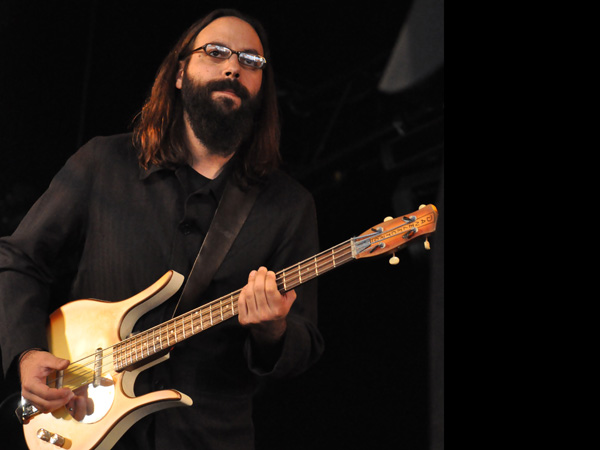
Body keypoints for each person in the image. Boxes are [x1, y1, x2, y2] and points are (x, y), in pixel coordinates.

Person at [0, 8, 324, 450]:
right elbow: (19, 259)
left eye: (251, 61)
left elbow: (303, 343)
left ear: (260, 87)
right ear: (179, 73)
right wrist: (26, 353)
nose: (233, 66)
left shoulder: (288, 206)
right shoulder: (103, 163)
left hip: (210, 437)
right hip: (81, 424)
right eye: (216, 52)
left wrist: (273, 332)